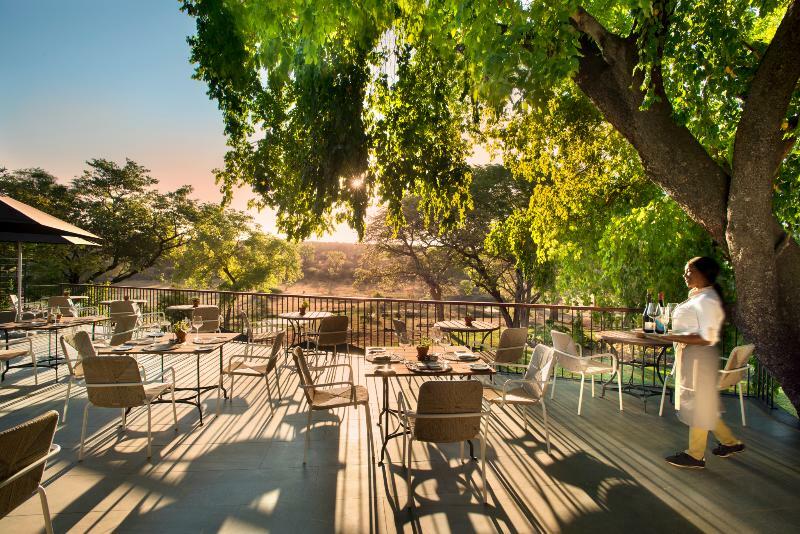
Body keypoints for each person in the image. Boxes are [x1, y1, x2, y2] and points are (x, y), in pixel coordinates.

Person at [660, 256, 744, 469]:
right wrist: (674, 334)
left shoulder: (707, 300)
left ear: (704, 273)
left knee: (699, 404)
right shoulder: (700, 296)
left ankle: (695, 455)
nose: (685, 275)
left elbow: (707, 337)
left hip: (700, 356)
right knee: (706, 404)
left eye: (689, 271)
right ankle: (730, 443)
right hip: (694, 355)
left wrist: (670, 337)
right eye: (685, 271)